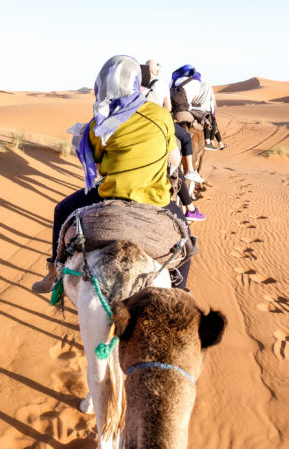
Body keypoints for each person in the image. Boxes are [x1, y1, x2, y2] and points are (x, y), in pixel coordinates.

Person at [32, 55, 191, 293]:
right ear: (136, 82)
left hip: (109, 194)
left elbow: (95, 165)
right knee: (185, 237)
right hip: (154, 197)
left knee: (61, 210)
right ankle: (179, 292)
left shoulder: (100, 121)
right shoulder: (161, 116)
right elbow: (173, 158)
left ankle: (54, 273)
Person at [145, 60, 204, 184]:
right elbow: (168, 107)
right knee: (186, 137)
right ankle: (189, 170)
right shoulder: (162, 84)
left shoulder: (140, 83)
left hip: (140, 119)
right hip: (163, 118)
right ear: (156, 71)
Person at [171, 65, 227, 150]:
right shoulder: (196, 83)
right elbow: (194, 99)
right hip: (186, 110)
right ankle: (208, 142)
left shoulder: (173, 82)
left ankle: (215, 142)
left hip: (171, 112)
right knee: (208, 118)